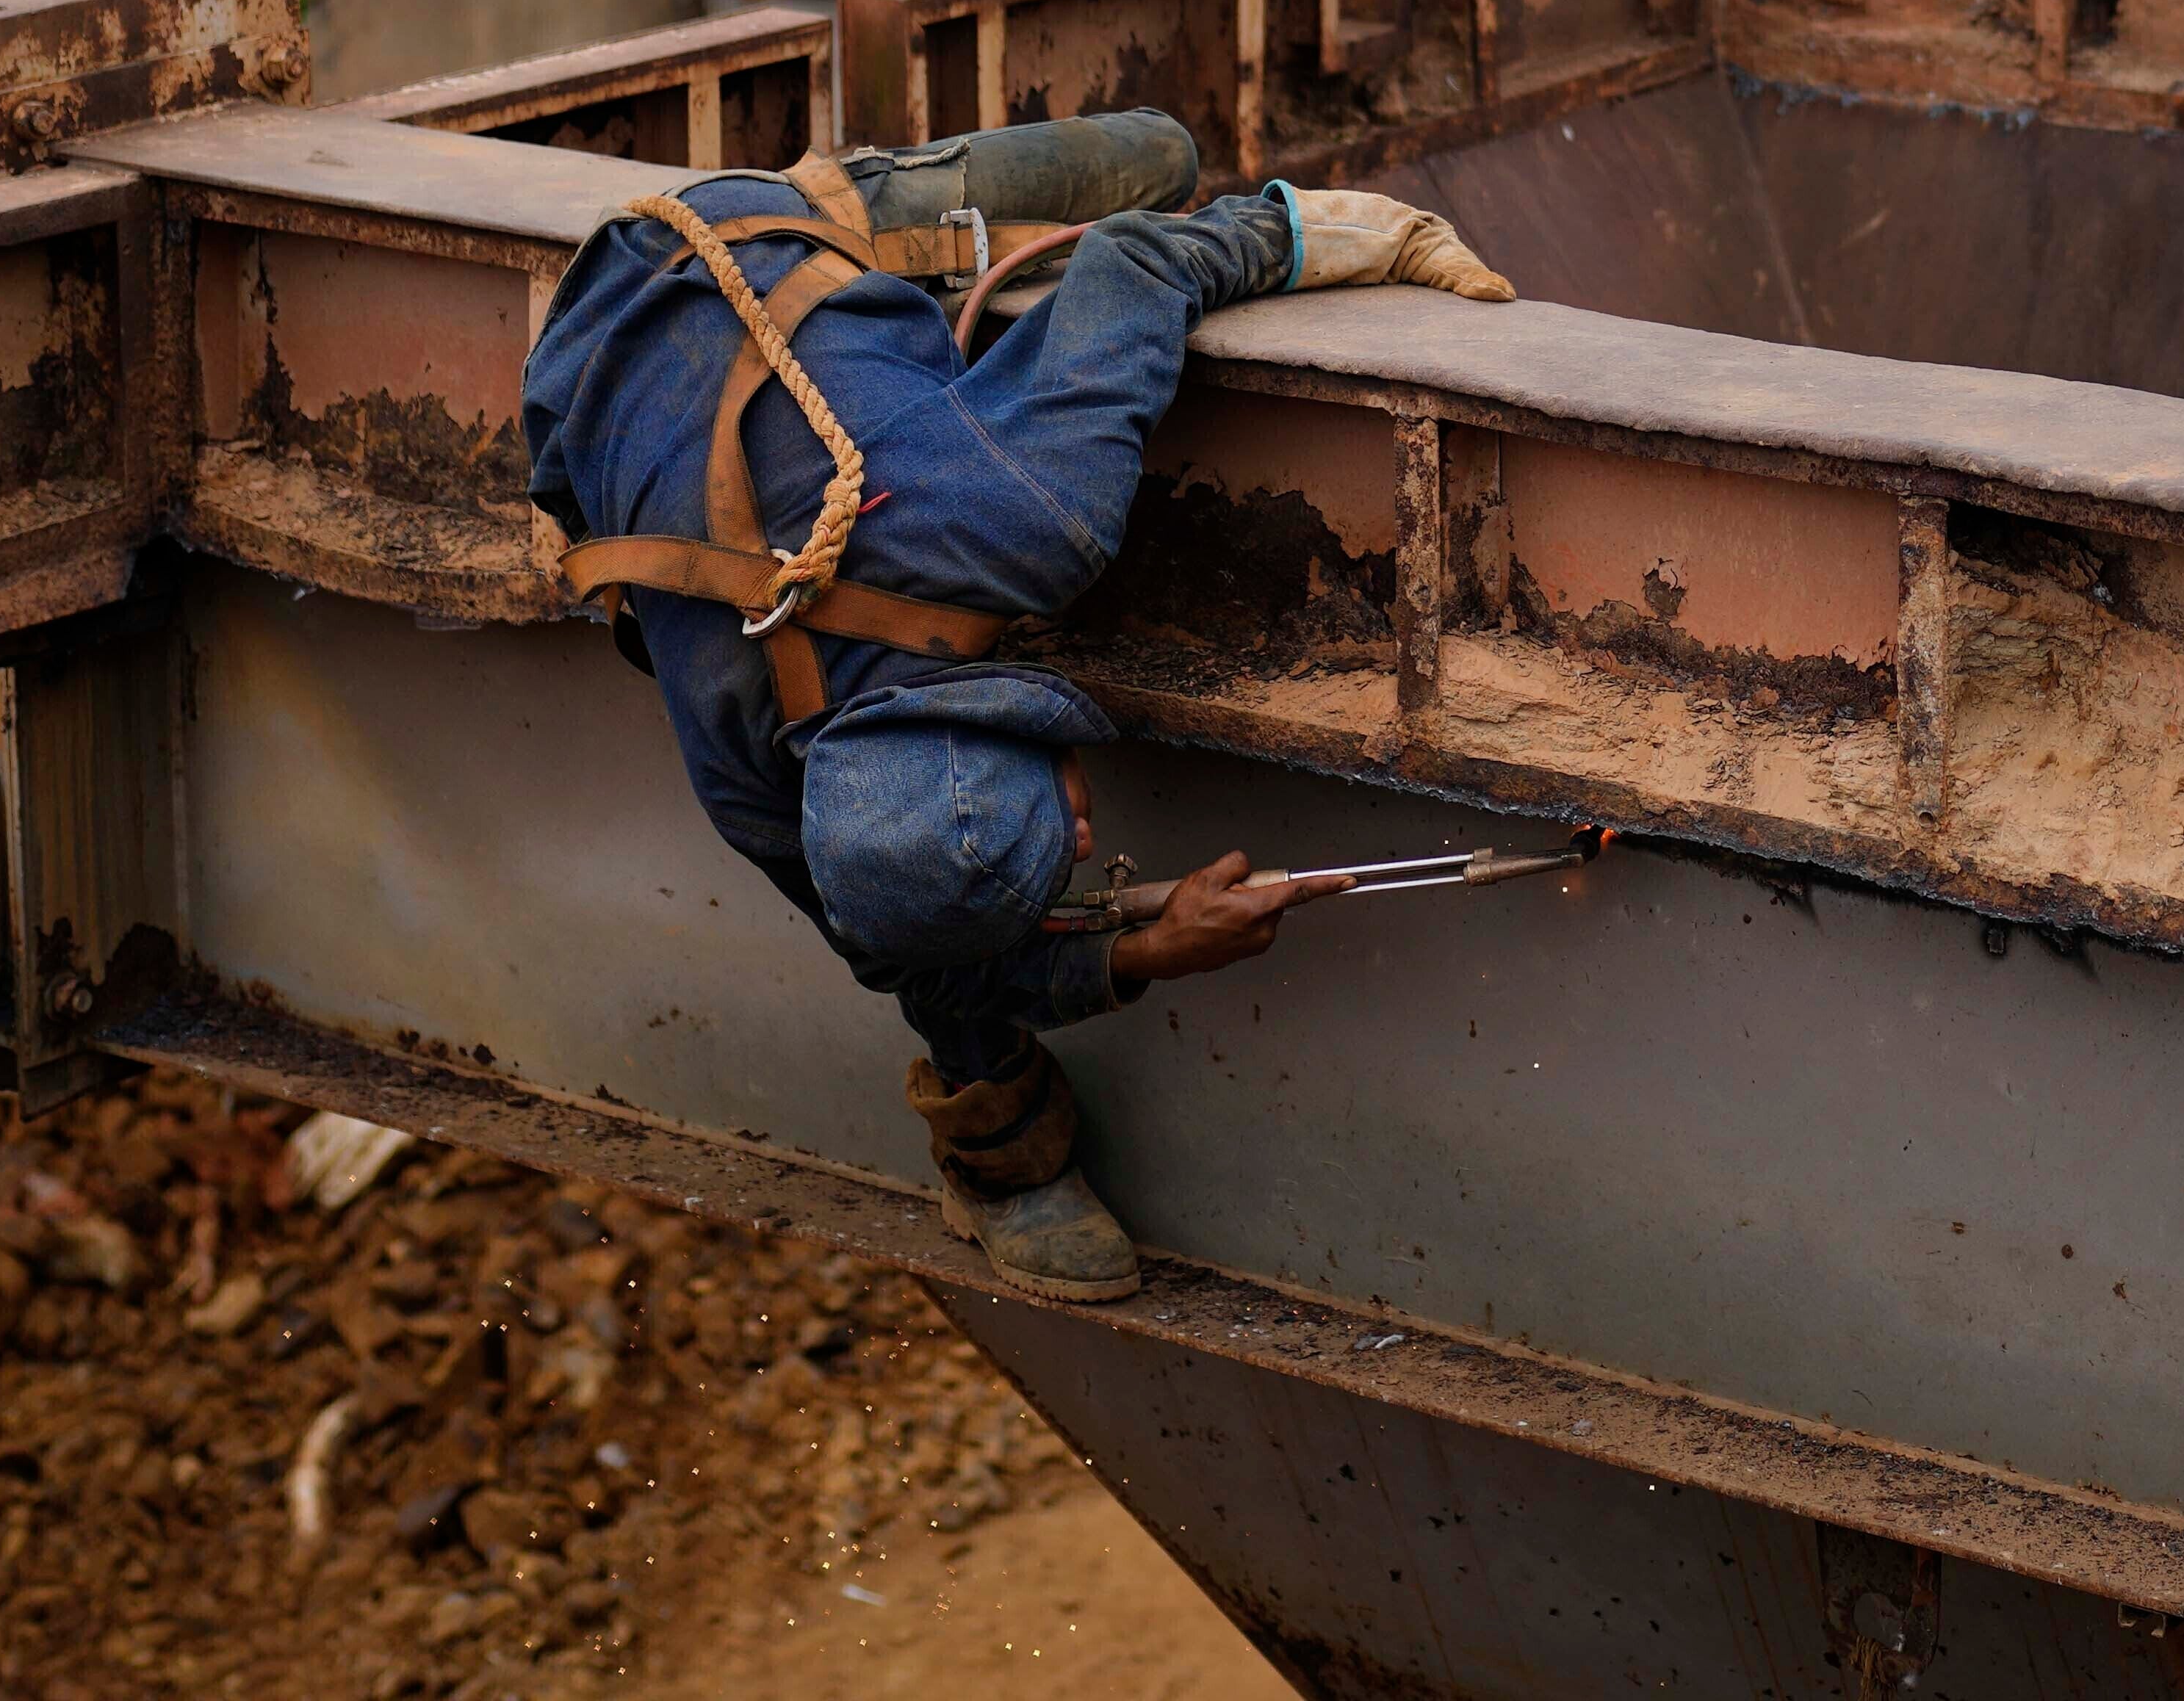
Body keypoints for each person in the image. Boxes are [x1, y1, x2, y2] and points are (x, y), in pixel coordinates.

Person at [513, 117, 1516, 1294]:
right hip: (583, 359)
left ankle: (895, 217)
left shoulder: (1032, 518)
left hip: (749, 235)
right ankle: (1003, 1163)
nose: (1090, 840)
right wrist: (1136, 953)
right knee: (919, 923)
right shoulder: (749, 780)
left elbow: (1142, 258)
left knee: (1162, 158)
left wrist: (1347, 231)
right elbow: (901, 951)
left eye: (1068, 845)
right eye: (1075, 856)